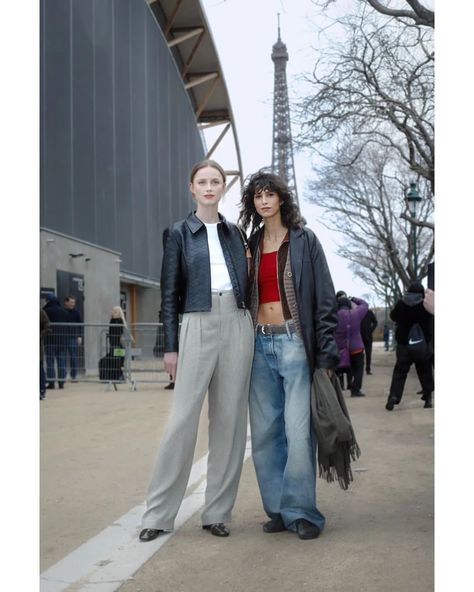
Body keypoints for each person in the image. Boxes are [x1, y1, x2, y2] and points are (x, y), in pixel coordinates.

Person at [139, 159, 254, 542]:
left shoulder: (236, 234)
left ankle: (217, 512)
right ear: (191, 188)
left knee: (230, 421)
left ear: (223, 188)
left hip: (237, 323)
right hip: (196, 322)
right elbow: (168, 294)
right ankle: (157, 515)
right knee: (182, 419)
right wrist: (169, 347)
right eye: (202, 181)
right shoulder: (177, 233)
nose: (209, 187)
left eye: (215, 181)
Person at [238, 169, 339, 541]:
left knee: (298, 431)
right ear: (253, 203)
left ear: (282, 198)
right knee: (265, 433)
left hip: (295, 341)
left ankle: (303, 512)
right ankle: (279, 508)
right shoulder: (249, 244)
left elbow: (325, 299)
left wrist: (326, 357)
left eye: (270, 194)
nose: (264, 201)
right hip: (258, 344)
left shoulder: (305, 241)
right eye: (257, 196)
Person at [385, 281, 434, 411]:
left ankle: (394, 396)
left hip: (404, 344)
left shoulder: (401, 304)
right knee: (425, 370)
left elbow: (393, 316)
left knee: (400, 371)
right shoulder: (425, 304)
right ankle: (428, 399)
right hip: (422, 345)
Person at [334, 295, 369, 397]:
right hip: (356, 348)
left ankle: (336, 390)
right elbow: (364, 304)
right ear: (349, 305)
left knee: (336, 370)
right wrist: (353, 298)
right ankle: (355, 390)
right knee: (358, 369)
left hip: (339, 349)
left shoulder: (334, 316)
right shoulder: (356, 313)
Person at [43, 293, 69, 389]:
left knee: (50, 362)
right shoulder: (63, 311)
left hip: (50, 340)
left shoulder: (46, 311)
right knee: (61, 361)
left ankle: (51, 382)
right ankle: (61, 382)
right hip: (61, 340)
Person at [64, 296, 82, 382]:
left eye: (74, 302)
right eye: (71, 302)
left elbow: (80, 325)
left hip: (73, 337)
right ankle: (62, 375)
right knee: (62, 357)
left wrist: (79, 336)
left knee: (73, 357)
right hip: (63, 337)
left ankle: (73, 375)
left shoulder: (76, 313)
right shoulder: (62, 311)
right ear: (66, 302)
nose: (73, 304)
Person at [360, 308, 378, 374]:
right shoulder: (359, 312)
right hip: (361, 336)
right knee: (361, 354)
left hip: (366, 336)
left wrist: (371, 330)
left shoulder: (369, 312)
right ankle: (362, 369)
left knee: (368, 354)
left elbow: (375, 322)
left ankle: (368, 369)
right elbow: (375, 322)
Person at [40, 308, 50, 400]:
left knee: (39, 368)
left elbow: (47, 327)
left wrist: (40, 335)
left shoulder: (40, 312)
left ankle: (41, 391)